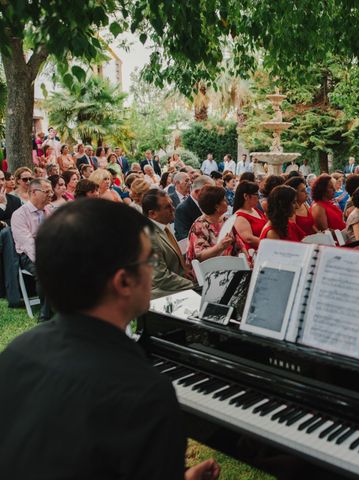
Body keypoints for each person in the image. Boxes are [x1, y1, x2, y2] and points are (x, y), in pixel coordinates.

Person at [0, 199, 221, 478]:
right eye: (149, 260)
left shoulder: (17, 352)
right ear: (123, 282)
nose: (153, 270)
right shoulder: (143, 393)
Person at [10, 178, 53, 321]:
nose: (50, 194)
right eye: (46, 191)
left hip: (50, 250)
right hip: (28, 255)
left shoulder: (49, 210)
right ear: (34, 192)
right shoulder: (19, 215)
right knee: (45, 270)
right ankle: (45, 314)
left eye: (50, 191)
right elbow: (28, 244)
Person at [142, 189, 195, 298]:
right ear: (152, 214)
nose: (173, 208)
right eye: (167, 207)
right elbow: (160, 278)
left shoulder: (163, 224)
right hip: (161, 295)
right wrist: (194, 285)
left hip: (175, 282)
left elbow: (173, 259)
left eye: (171, 204)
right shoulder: (149, 237)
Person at [187, 185, 245, 263]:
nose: (227, 202)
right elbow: (200, 256)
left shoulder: (226, 220)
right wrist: (219, 247)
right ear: (216, 207)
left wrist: (246, 261)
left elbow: (239, 245)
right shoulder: (199, 226)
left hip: (229, 265)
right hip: (209, 269)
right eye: (224, 200)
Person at [174, 175, 215, 241]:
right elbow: (184, 236)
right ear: (197, 192)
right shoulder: (182, 209)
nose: (212, 195)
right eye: (210, 191)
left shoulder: (209, 203)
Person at [232, 181, 267, 249]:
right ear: (246, 196)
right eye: (257, 195)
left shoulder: (254, 209)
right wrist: (269, 244)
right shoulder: (240, 216)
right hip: (253, 253)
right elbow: (249, 239)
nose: (258, 198)